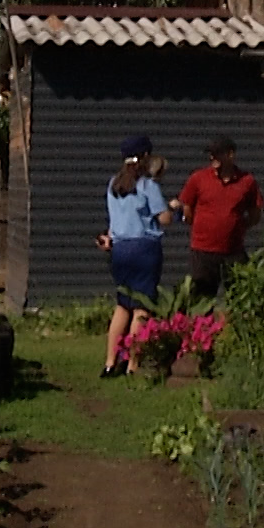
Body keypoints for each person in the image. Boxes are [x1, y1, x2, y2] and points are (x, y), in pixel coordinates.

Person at [97, 135, 172, 378]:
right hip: (144, 249)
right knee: (141, 308)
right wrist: (173, 208)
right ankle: (133, 365)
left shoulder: (113, 185)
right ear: (146, 157)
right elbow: (163, 219)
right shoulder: (147, 186)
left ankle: (110, 362)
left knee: (122, 305)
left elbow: (115, 221)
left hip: (119, 250)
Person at [173, 136, 264, 298]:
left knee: (239, 296)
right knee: (201, 299)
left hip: (233, 251)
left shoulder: (247, 181)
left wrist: (237, 227)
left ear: (230, 155)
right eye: (211, 154)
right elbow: (187, 209)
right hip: (203, 252)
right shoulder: (198, 178)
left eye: (217, 153)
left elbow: (255, 214)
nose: (212, 158)